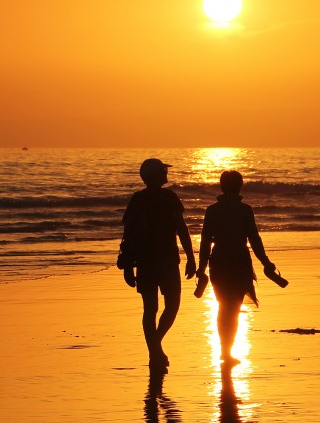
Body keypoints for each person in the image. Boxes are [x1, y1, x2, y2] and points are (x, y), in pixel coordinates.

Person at [118, 158, 197, 370]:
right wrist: (191, 257)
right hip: (166, 261)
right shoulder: (169, 198)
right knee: (170, 306)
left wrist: (127, 266)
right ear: (155, 175)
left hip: (146, 262)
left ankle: (154, 349)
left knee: (150, 309)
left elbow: (127, 236)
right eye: (163, 170)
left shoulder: (137, 199)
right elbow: (181, 229)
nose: (166, 173)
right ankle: (155, 348)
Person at [196, 169, 278, 366]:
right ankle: (227, 351)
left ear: (222, 187)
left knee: (224, 307)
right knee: (233, 308)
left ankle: (225, 350)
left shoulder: (212, 210)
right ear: (240, 186)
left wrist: (201, 269)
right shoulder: (244, 210)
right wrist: (266, 263)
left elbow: (205, 242)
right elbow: (254, 240)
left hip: (219, 262)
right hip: (240, 262)